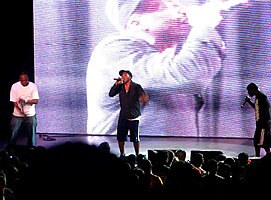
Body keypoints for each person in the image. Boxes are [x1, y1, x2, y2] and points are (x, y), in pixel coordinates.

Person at [87, 0, 251, 137]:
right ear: (136, 22)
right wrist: (203, 25)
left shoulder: (167, 62)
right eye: (168, 6)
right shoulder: (115, 51)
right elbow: (189, 75)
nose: (182, 10)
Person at [109, 70, 149, 157]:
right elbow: (111, 94)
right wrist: (116, 84)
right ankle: (122, 154)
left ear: (130, 77)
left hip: (134, 116)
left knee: (134, 138)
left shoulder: (136, 86)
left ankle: (137, 155)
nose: (123, 77)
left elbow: (144, 97)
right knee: (120, 137)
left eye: (125, 75)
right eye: (122, 75)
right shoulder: (120, 87)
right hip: (123, 115)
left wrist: (144, 99)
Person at [8, 71, 39, 148]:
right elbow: (14, 102)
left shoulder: (33, 86)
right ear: (20, 80)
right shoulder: (14, 86)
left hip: (30, 114)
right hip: (17, 114)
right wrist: (20, 110)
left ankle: (32, 148)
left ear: (28, 79)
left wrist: (26, 101)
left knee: (32, 133)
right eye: (22, 80)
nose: (24, 82)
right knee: (13, 133)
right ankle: (11, 149)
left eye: (26, 80)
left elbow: (36, 101)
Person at [242, 82, 271, 157]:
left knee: (262, 142)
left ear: (253, 90)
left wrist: (264, 125)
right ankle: (259, 156)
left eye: (249, 91)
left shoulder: (262, 97)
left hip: (263, 124)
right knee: (260, 142)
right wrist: (248, 101)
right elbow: (257, 108)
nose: (248, 93)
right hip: (261, 124)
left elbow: (267, 110)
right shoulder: (258, 96)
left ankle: (259, 157)